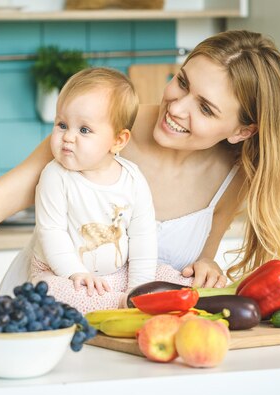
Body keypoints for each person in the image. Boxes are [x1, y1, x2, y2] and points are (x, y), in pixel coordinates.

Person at [0, 30, 280, 298]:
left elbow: (199, 257)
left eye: (205, 107)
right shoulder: (95, 130)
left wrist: (207, 267)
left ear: (242, 132)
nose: (176, 107)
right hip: (41, 325)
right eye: (181, 82)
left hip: (132, 345)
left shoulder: (234, 176)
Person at [29, 67, 188, 313]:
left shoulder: (133, 179)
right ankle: (123, 305)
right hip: (62, 273)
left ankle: (131, 301)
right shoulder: (55, 176)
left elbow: (143, 238)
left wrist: (138, 288)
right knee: (48, 293)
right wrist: (75, 273)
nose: (68, 137)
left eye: (83, 130)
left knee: (170, 276)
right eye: (62, 125)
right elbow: (51, 234)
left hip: (115, 275)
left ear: (118, 141)